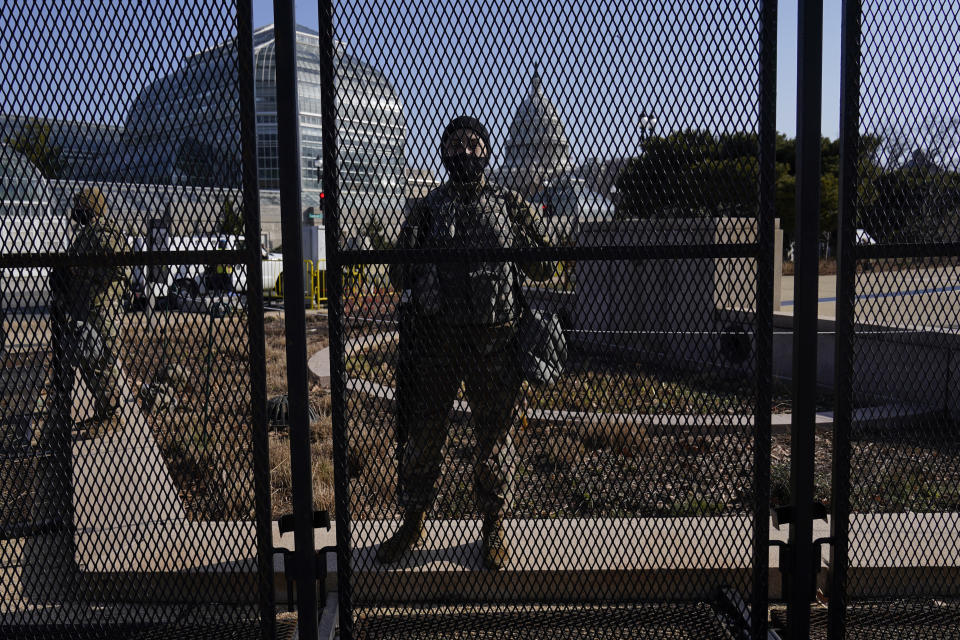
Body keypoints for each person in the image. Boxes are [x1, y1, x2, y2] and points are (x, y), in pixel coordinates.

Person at [376, 116, 556, 570]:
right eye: (455, 143)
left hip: (494, 343)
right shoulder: (425, 208)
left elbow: (544, 267)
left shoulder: (510, 203)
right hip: (437, 342)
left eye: (473, 143)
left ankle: (494, 528)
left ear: (487, 151)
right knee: (424, 433)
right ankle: (414, 522)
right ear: (443, 153)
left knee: (494, 438)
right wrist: (412, 247)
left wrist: (527, 240)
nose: (464, 151)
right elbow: (398, 276)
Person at [47, 187, 130, 435]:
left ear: (89, 209)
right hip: (89, 310)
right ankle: (105, 413)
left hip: (101, 312)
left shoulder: (103, 232)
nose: (76, 214)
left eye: (80, 208)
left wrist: (80, 272)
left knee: (99, 362)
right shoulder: (89, 233)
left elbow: (119, 267)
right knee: (92, 361)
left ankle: (110, 418)